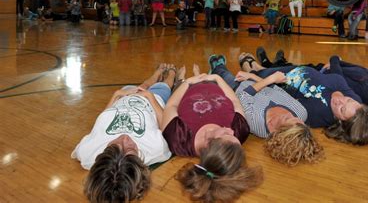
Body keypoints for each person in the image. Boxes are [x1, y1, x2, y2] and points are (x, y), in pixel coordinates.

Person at [72, 64, 173, 203]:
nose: (125, 139)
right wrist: (150, 97)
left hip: (123, 96)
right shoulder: (155, 149)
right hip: (152, 100)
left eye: (115, 146)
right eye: (131, 149)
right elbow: (167, 124)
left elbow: (103, 120)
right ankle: (172, 73)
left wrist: (116, 95)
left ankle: (158, 72)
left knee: (145, 83)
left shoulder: (87, 152)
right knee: (164, 86)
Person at [237, 54, 368, 146]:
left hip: (279, 81)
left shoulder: (316, 114)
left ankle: (249, 64)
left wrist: (258, 79)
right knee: (261, 68)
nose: (341, 101)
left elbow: (281, 98)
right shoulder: (356, 101)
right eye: (348, 101)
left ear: (340, 121)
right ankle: (257, 65)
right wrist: (336, 60)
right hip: (295, 70)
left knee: (255, 71)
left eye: (342, 109)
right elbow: (340, 79)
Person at [162, 67, 262, 202]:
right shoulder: (240, 130)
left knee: (180, 82)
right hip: (214, 84)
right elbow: (234, 101)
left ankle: (181, 77)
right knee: (201, 74)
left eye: (226, 134)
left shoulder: (179, 138)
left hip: (185, 90)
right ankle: (198, 73)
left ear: (209, 142)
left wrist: (188, 83)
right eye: (235, 137)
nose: (232, 131)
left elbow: (171, 105)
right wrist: (217, 78)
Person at [208, 55, 323, 166]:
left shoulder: (258, 126)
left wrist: (271, 79)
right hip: (255, 83)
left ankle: (217, 67)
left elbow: (243, 97)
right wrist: (251, 77)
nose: (294, 116)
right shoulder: (301, 112)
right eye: (300, 121)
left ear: (280, 131)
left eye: (289, 119)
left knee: (223, 74)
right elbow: (274, 89)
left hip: (234, 91)